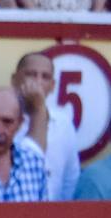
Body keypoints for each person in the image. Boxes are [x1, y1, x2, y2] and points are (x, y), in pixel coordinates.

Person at [10, 52, 80, 202]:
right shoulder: (2, 119)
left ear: (53, 86)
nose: (37, 81)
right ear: (14, 80)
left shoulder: (63, 123)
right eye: (31, 74)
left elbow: (70, 178)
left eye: (45, 77)